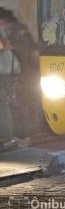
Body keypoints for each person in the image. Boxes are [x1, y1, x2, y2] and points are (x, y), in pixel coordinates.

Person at [0, 8, 43, 150]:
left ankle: (27, 136)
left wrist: (8, 46)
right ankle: (19, 136)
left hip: (25, 74)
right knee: (15, 105)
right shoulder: (9, 30)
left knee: (24, 105)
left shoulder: (17, 31)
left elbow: (26, 49)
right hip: (18, 74)